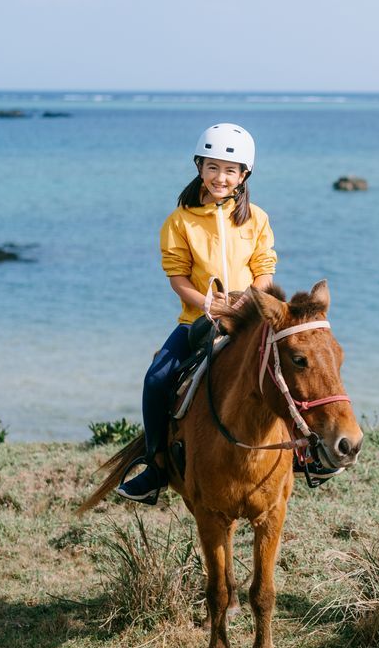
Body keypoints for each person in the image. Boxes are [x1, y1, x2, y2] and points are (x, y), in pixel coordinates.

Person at [116, 122, 277, 504]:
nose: (220, 177)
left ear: (244, 176)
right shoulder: (180, 221)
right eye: (213, 167)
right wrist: (204, 303)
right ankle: (155, 466)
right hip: (197, 320)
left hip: (249, 319)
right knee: (156, 379)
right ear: (199, 167)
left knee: (291, 364)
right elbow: (177, 275)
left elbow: (264, 270)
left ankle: (302, 453)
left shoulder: (258, 219)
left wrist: (248, 300)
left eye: (230, 170)